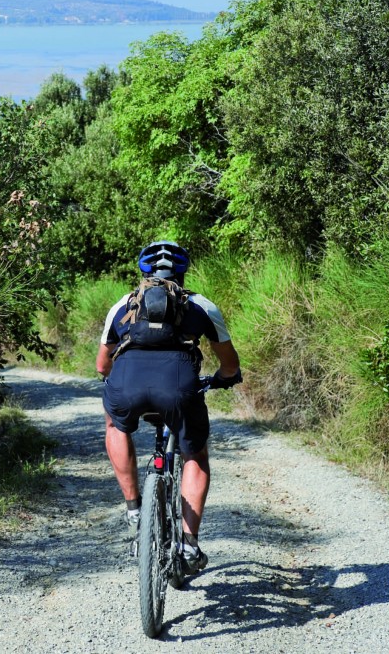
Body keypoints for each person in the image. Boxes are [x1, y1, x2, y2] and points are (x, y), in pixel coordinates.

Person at [96, 241, 241, 573]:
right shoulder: (201, 305)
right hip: (178, 386)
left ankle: (134, 506)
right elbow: (230, 365)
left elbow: (102, 366)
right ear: (183, 272)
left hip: (128, 384)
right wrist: (220, 378)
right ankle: (188, 545)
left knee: (115, 424)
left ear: (143, 273)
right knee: (196, 456)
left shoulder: (123, 304)